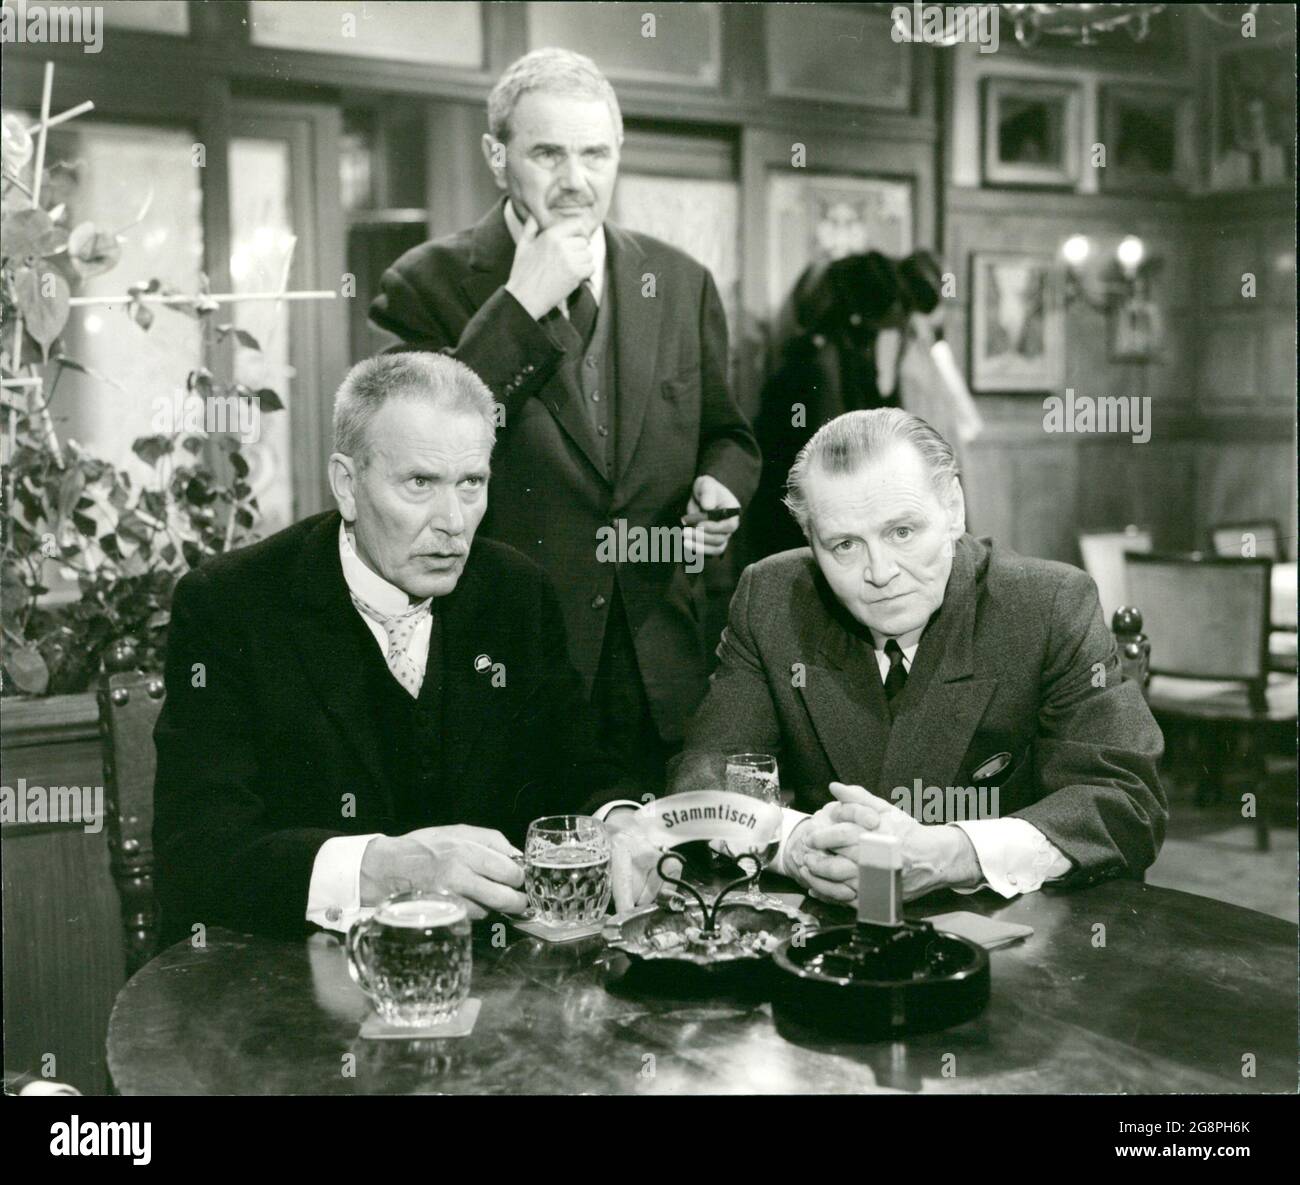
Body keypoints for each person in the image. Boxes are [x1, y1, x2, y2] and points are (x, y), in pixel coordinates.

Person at [368, 47, 760, 792]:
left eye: (595, 154)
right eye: (548, 153)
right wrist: (517, 309)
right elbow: (413, 445)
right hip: (508, 655)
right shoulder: (425, 283)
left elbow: (727, 431)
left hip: (659, 658)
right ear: (497, 156)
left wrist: (720, 486)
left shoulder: (678, 280)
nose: (575, 180)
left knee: (663, 880)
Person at [153, 353, 631, 941]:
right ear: (347, 486)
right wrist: (384, 869)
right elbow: (197, 852)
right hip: (298, 988)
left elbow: (577, 770)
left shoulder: (515, 592)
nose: (453, 522)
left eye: (471, 483)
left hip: (497, 986)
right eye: (419, 483)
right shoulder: (231, 605)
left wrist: (621, 820)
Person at [611, 407, 1166, 909]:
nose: (879, 572)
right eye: (844, 545)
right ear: (811, 538)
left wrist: (953, 853)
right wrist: (796, 844)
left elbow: (1125, 802)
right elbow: (704, 778)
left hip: (1016, 938)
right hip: (833, 952)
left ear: (952, 509)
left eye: (902, 531)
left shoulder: (1047, 604)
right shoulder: (773, 598)